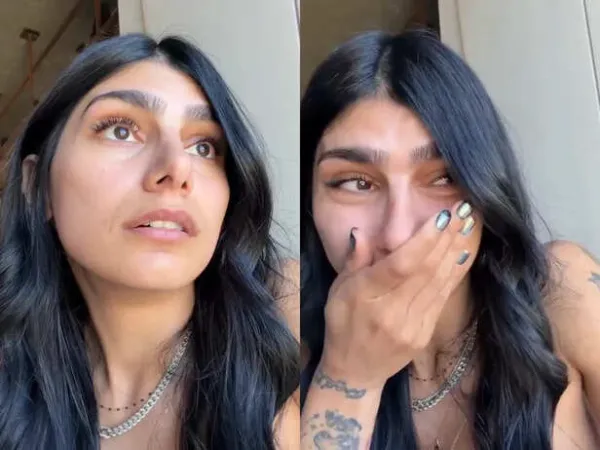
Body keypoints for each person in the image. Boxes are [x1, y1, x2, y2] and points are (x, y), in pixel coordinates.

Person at [299, 30, 600, 449]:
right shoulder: (287, 352)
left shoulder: (565, 292)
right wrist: (348, 378)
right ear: (309, 202)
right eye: (356, 183)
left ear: (485, 188)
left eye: (442, 178)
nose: (398, 235)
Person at [0, 33, 300, 450]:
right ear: (38, 186)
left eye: (204, 146)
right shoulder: (13, 378)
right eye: (121, 130)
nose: (177, 168)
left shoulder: (294, 320)